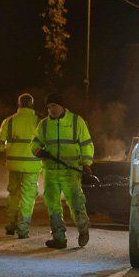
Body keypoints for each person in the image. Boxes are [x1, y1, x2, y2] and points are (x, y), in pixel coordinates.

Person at [32, 93, 94, 249]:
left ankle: (83, 228)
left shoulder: (76, 121)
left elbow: (86, 144)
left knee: (76, 202)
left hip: (70, 172)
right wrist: (38, 151)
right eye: (48, 107)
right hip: (51, 171)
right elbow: (35, 143)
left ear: (62, 106)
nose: (51, 110)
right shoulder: (44, 125)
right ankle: (59, 238)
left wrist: (86, 164)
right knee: (52, 204)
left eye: (53, 106)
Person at [0, 93, 41, 238]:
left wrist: (9, 147)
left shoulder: (9, 121)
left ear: (19, 104)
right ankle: (23, 229)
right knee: (28, 197)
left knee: (13, 195)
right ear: (32, 105)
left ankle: (11, 225)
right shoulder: (39, 122)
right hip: (32, 166)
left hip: (14, 165)